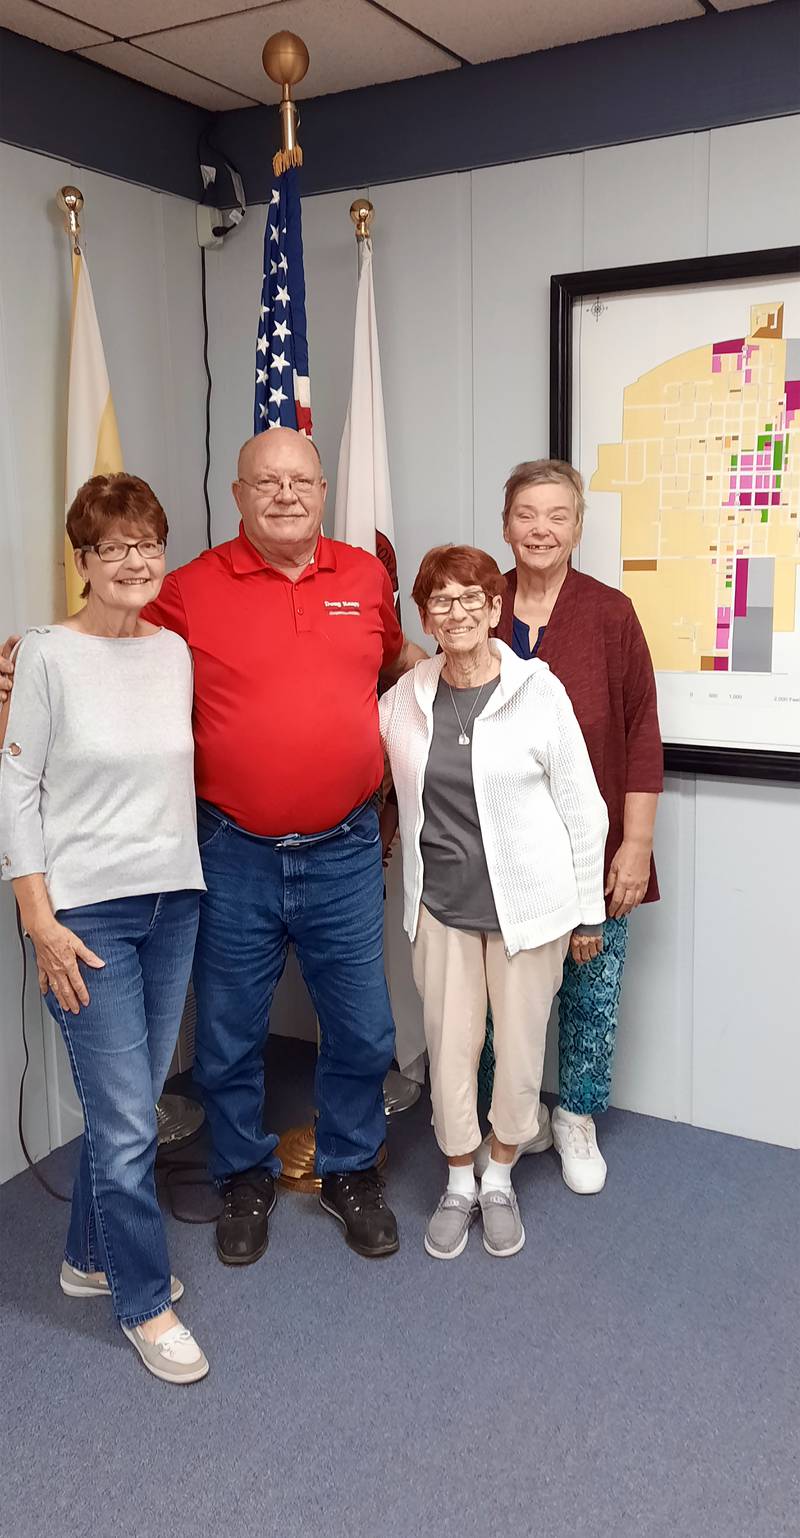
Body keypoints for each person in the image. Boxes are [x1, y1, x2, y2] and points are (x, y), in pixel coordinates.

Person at [140, 427, 425, 1264]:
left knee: (366, 1030)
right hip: (234, 852)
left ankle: (347, 1169)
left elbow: (394, 661)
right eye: (266, 483)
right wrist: (34, 660)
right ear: (238, 497)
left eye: (301, 480)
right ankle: (241, 1176)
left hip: (342, 848)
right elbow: (115, 648)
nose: (286, 495)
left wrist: (467, 664)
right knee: (228, 1034)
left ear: (324, 489)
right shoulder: (189, 588)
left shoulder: (366, 575)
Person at [0, 474, 208, 1385]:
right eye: (112, 547)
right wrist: (37, 916)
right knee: (128, 1120)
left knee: (133, 1101)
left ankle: (89, 1261)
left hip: (175, 900)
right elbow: (15, 788)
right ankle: (141, 1302)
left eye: (146, 544)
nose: (133, 561)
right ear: (82, 562)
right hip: (84, 916)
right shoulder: (45, 654)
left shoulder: (172, 653)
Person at [379, 545, 608, 1260]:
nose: (458, 613)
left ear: (495, 608)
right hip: (441, 910)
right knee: (450, 1051)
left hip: (529, 916)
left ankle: (501, 1176)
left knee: (517, 1053)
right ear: (424, 615)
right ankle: (457, 1181)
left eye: (472, 598)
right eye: (441, 601)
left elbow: (583, 807)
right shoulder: (405, 700)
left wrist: (588, 911)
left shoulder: (538, 692)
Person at [487, 459, 663, 1194]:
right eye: (527, 513)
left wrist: (637, 842)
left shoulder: (610, 612)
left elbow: (642, 729)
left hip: (596, 849)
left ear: (578, 528)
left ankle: (577, 1118)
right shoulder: (479, 602)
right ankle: (513, 1117)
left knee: (591, 992)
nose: (541, 529)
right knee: (506, 998)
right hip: (505, 851)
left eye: (558, 515)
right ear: (506, 524)